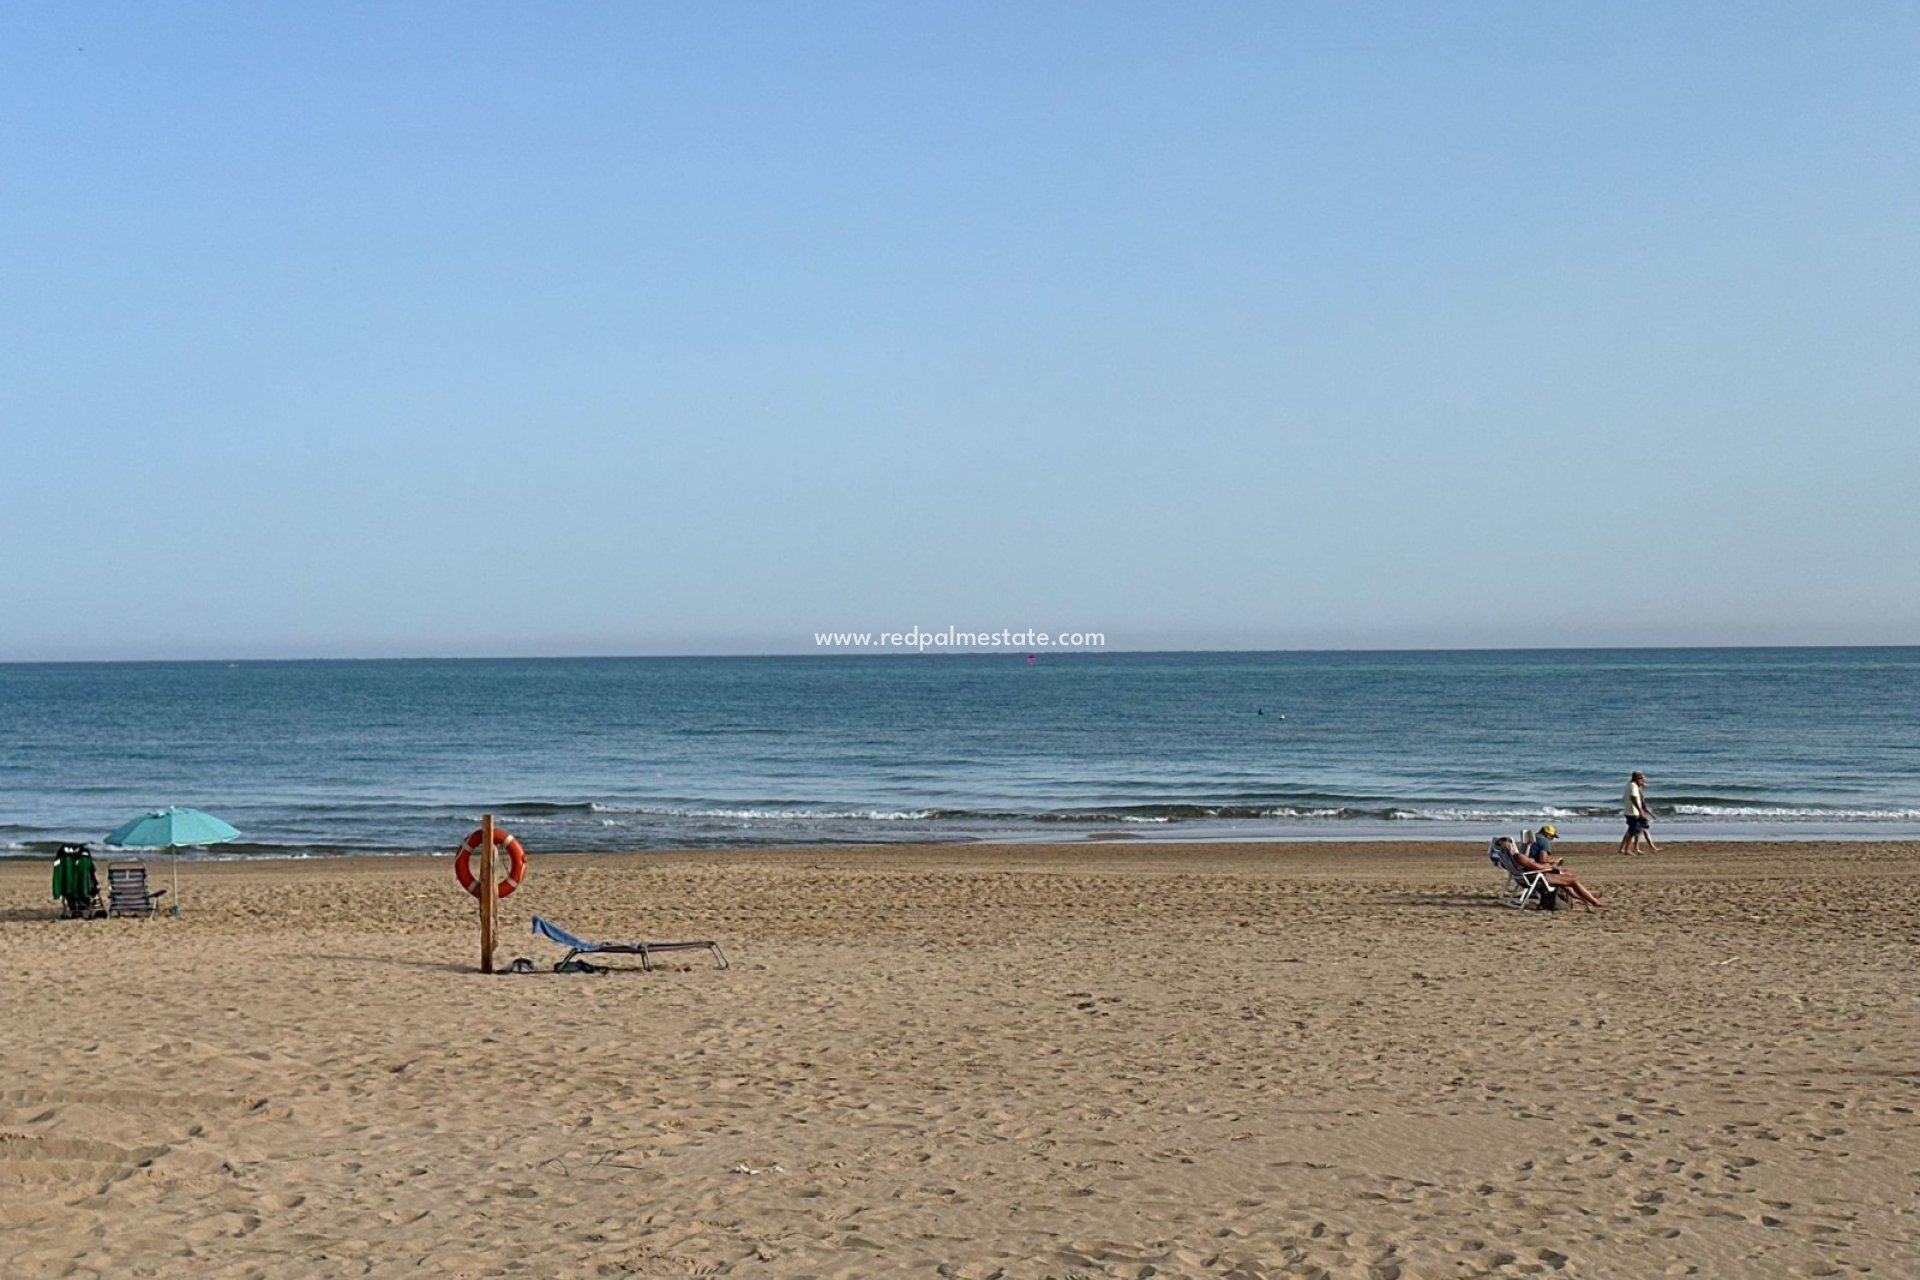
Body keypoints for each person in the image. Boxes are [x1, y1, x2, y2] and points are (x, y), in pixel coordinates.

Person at [1510, 824, 1608, 910]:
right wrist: (1554, 863)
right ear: (1548, 834)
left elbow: (1531, 861)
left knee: (1566, 875)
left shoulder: (1529, 841)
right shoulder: (1544, 841)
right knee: (1572, 880)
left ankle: (1584, 895)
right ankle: (1592, 901)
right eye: (1552, 837)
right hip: (1536, 876)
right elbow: (1542, 860)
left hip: (1525, 875)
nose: (1552, 839)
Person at [1619, 771, 1660, 855]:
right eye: (1641, 779)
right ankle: (1627, 850)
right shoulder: (1634, 786)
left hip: (1629, 811)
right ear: (1636, 779)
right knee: (1632, 831)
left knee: (1631, 830)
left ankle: (1625, 849)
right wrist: (1640, 810)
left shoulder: (1630, 785)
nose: (1642, 781)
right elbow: (1633, 798)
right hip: (1633, 812)